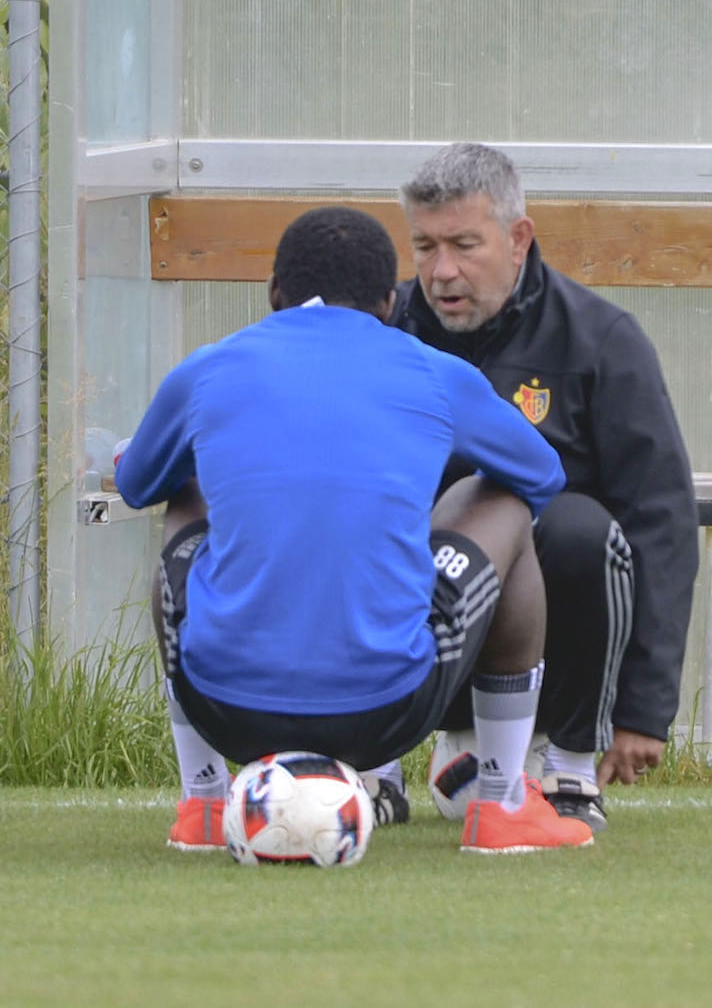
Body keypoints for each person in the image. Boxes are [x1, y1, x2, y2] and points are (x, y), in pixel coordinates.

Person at [116, 204, 593, 855]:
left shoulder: (208, 368)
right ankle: (502, 801)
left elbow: (137, 482)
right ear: (389, 304)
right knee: (502, 498)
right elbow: (541, 473)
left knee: (184, 487)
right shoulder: (433, 370)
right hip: (388, 709)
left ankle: (202, 800)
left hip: (223, 705)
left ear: (274, 295)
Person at [375, 142, 700, 833]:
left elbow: (662, 520)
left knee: (578, 528)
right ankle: (376, 759)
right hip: (413, 645)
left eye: (465, 244)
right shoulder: (380, 333)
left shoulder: (602, 341)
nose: (441, 271)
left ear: (518, 237)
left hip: (549, 653)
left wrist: (643, 706)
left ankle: (569, 763)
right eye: (424, 246)